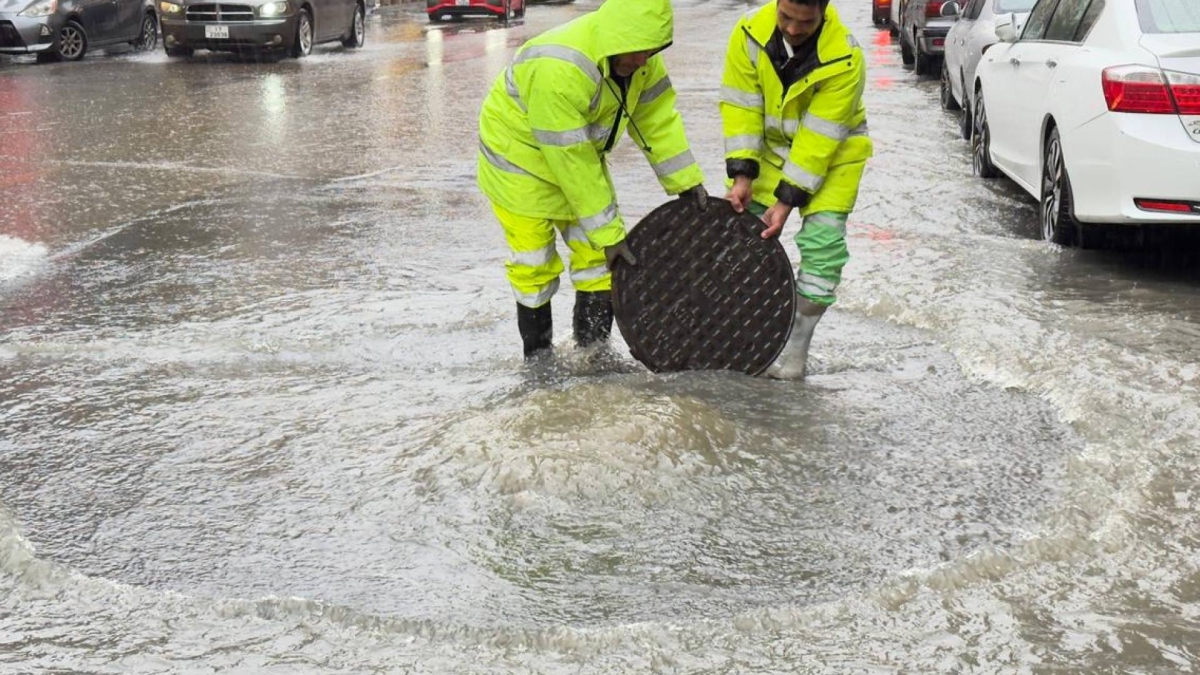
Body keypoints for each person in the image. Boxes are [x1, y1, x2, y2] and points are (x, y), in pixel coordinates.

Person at [477, 0, 709, 360]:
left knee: (600, 262)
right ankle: (538, 361)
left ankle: (593, 356)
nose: (643, 61)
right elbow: (572, 163)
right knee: (534, 262)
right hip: (518, 163)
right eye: (637, 52)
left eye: (651, 50)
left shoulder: (643, 59)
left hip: (576, 154)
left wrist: (686, 180)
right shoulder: (560, 67)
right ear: (614, 38)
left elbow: (657, 119)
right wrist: (610, 234)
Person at [720, 0, 872, 379]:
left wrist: (787, 201)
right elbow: (742, 107)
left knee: (824, 248)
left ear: (823, 11)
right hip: (768, 152)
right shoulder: (748, 34)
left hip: (833, 154)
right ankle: (748, 338)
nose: (791, 29)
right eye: (785, 17)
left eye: (804, 23)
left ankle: (796, 347)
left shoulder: (845, 57)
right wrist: (742, 174)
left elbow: (819, 139)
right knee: (739, 242)